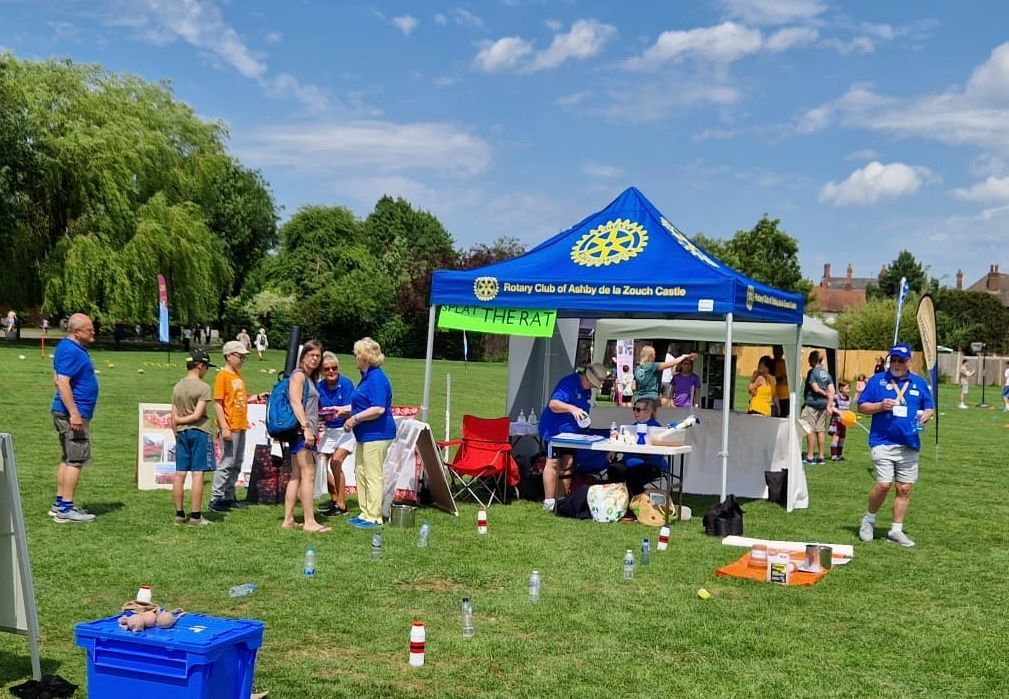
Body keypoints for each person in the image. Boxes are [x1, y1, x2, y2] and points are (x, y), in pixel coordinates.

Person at [856, 343, 934, 547]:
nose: (897, 364)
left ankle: (896, 530)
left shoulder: (918, 383)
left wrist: (926, 415)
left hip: (909, 442)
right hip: (882, 441)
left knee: (905, 488)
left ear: (909, 362)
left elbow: (929, 408)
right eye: (894, 360)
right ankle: (868, 520)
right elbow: (862, 406)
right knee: (883, 484)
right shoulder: (878, 381)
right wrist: (880, 406)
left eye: (901, 360)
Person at [49, 313, 98, 523]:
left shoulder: (70, 348)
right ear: (76, 332)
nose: (93, 331)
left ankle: (60, 503)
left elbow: (57, 378)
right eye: (89, 329)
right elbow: (62, 382)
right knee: (76, 460)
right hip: (73, 414)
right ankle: (66, 509)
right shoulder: (71, 350)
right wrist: (75, 413)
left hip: (69, 411)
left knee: (67, 458)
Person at [343, 337, 396, 529]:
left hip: (378, 433)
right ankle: (365, 512)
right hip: (364, 435)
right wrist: (346, 410)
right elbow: (363, 404)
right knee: (361, 472)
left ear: (365, 357)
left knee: (373, 474)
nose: (355, 358)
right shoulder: (366, 377)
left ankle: (375, 515)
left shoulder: (377, 378)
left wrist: (354, 419)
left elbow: (378, 408)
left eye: (357, 355)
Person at [538, 363, 606, 512]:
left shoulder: (587, 391)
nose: (593, 387)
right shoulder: (569, 383)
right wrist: (572, 408)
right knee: (554, 463)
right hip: (555, 431)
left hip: (573, 434)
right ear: (586, 377)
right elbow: (553, 404)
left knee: (568, 463)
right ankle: (549, 502)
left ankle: (562, 500)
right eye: (592, 384)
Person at [282, 340, 329, 533]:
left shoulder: (309, 378)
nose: (315, 359)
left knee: (296, 475)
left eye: (318, 356)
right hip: (302, 432)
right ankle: (309, 521)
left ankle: (288, 519)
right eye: (312, 355)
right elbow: (295, 402)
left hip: (301, 431)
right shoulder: (299, 376)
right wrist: (306, 428)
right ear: (303, 357)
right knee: (308, 475)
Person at [170, 349, 216, 526]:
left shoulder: (177, 386)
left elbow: (172, 415)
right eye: (206, 367)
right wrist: (181, 419)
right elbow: (197, 415)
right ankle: (196, 516)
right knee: (198, 474)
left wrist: (177, 428)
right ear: (200, 366)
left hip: (181, 433)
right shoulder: (203, 387)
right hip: (199, 432)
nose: (206, 371)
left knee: (180, 474)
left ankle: (180, 514)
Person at [210, 340, 254, 513]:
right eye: (240, 356)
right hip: (230, 425)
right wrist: (224, 426)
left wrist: (256, 397)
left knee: (237, 462)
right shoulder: (223, 376)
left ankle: (229, 496)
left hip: (241, 424)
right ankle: (216, 498)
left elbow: (240, 398)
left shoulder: (237, 375)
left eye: (244, 357)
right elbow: (218, 403)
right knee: (227, 462)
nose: (243, 359)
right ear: (229, 356)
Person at [316, 351, 354, 517]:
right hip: (330, 429)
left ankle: (341, 504)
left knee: (336, 461)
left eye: (334, 368)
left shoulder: (346, 384)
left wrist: (336, 412)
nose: (331, 371)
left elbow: (352, 410)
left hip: (347, 428)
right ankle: (334, 498)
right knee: (319, 463)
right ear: (322, 371)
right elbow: (316, 409)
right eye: (327, 369)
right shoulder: (319, 386)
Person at [607, 398, 665, 501]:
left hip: (650, 463)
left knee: (634, 475)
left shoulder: (656, 428)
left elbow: (656, 451)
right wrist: (614, 449)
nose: (635, 412)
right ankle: (618, 501)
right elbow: (625, 441)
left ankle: (637, 503)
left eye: (638, 410)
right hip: (630, 461)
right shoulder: (632, 426)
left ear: (649, 412)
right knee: (614, 469)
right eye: (634, 409)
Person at [800, 350, 835, 464]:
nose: (808, 360)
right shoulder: (826, 374)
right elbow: (832, 391)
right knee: (820, 431)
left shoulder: (812, 372)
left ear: (814, 360)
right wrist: (829, 405)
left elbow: (815, 388)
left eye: (810, 358)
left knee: (809, 429)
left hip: (812, 404)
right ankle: (821, 456)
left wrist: (824, 394)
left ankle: (810, 456)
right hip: (822, 406)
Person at [633, 345, 697, 404]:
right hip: (651, 398)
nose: (655, 356)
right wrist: (683, 356)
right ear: (651, 355)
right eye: (654, 354)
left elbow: (633, 387)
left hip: (638, 399)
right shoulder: (653, 366)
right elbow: (671, 363)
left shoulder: (637, 368)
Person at [829, 379, 852, 461]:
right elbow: (832, 407)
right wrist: (839, 412)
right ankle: (834, 455)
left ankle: (840, 454)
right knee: (836, 438)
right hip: (836, 422)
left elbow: (848, 410)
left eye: (849, 388)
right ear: (841, 388)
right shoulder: (836, 397)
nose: (848, 390)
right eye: (847, 388)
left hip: (843, 422)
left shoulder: (849, 399)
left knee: (842, 438)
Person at [772, 345, 790, 417]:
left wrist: (780, 378)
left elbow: (787, 378)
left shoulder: (786, 364)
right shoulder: (771, 363)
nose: (777, 352)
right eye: (775, 350)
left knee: (783, 418)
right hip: (773, 395)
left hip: (784, 396)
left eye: (779, 350)